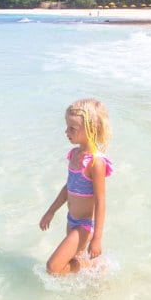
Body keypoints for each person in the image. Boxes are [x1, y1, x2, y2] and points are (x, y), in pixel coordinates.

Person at [39, 98, 113, 275]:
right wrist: (51, 211)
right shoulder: (73, 154)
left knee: (53, 267)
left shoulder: (96, 163)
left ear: (90, 129)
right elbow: (68, 188)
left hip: (85, 225)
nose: (66, 131)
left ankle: (97, 266)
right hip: (71, 220)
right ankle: (94, 279)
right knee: (74, 263)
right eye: (67, 126)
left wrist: (97, 238)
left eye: (72, 128)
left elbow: (100, 200)